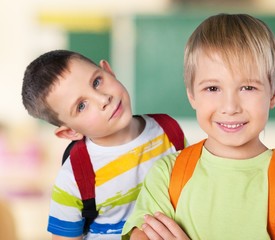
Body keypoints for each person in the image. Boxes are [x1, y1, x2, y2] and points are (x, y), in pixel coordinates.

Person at [121, 13, 275, 239]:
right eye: (213, 88)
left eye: (248, 88)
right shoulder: (167, 175)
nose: (230, 107)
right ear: (192, 94)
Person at [21, 50, 187, 240]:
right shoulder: (73, 178)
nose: (103, 99)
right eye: (81, 106)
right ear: (70, 132)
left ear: (108, 70)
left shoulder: (169, 130)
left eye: (97, 82)